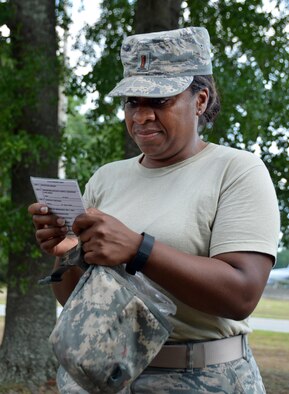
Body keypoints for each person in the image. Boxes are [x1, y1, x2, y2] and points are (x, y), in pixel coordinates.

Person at [28, 27, 280, 393]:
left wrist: (138, 248)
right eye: (132, 102)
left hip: (203, 379)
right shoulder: (107, 178)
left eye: (159, 101)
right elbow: (74, 299)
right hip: (108, 377)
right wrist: (69, 254)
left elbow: (241, 295)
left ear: (200, 100)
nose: (142, 116)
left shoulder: (237, 171)